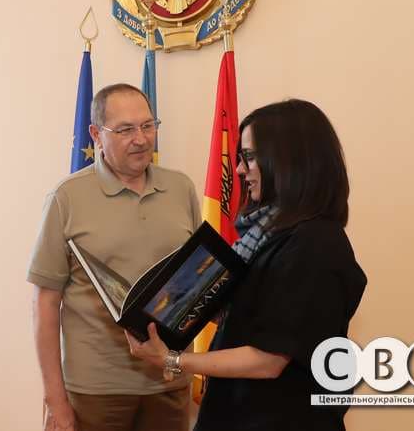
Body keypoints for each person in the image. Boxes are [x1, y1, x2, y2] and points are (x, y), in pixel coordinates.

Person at [126, 99, 367, 431]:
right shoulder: (267, 234)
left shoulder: (315, 244)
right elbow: (248, 316)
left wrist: (172, 359)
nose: (239, 170)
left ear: (287, 161)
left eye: (250, 157)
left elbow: (269, 359)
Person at [27, 84, 201, 431]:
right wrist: (55, 399)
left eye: (148, 126)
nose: (141, 139)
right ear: (96, 135)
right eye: (125, 130)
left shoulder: (181, 188)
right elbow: (45, 303)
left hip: (170, 381)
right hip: (95, 391)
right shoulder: (66, 198)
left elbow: (199, 278)